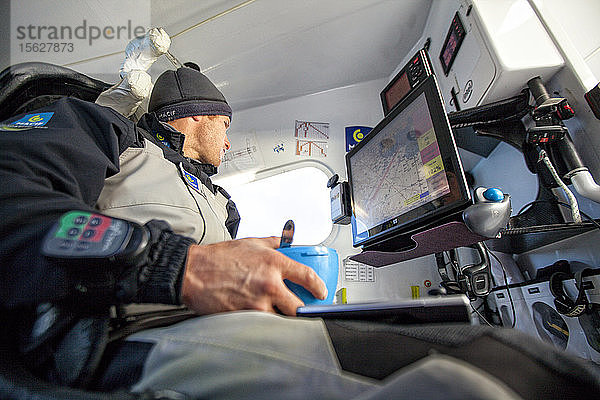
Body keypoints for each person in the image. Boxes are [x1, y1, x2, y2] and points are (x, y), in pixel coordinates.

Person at [1, 58, 600, 400]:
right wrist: (178, 265)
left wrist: (239, 255)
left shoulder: (218, 200)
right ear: (192, 117)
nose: (231, 140)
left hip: (213, 323)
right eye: (224, 126)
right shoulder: (98, 128)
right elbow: (12, 205)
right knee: (497, 376)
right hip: (120, 338)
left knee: (467, 335)